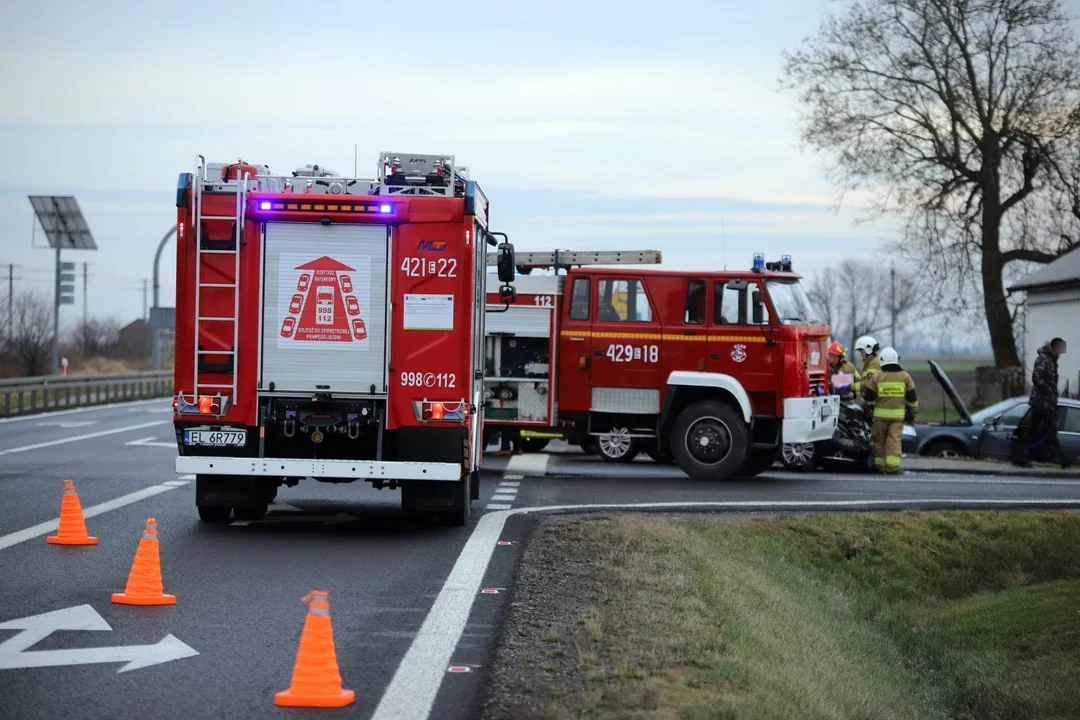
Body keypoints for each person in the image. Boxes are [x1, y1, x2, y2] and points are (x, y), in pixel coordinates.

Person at [1012, 338, 1073, 470]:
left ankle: (1018, 457)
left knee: (1032, 430)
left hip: (1045, 402)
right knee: (1052, 429)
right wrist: (1049, 392)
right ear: (1054, 347)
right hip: (1041, 402)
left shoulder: (1051, 360)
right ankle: (1062, 459)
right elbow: (1036, 378)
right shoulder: (1043, 359)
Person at [860, 346, 917, 474]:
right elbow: (912, 400)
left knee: (879, 442)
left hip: (879, 417)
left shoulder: (877, 376)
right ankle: (892, 468)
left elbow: (868, 398)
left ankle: (879, 467)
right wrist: (911, 414)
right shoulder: (905, 376)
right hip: (897, 418)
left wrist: (867, 410)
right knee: (894, 441)